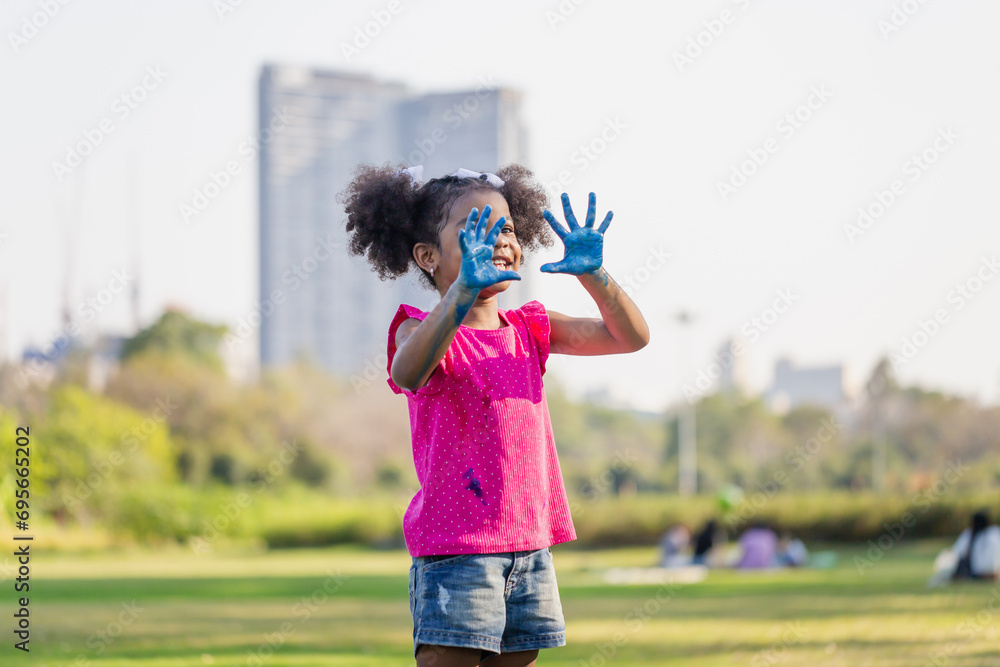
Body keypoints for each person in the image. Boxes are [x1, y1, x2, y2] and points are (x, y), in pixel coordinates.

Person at [340, 163, 650, 666]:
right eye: (476, 229)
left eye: (505, 227)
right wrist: (463, 292)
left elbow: (629, 337)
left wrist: (596, 275)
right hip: (457, 550)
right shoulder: (418, 331)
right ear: (427, 255)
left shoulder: (530, 328)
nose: (499, 239)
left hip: (530, 546)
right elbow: (408, 372)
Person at [950, 510, 1000, 581]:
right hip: (995, 574)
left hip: (977, 574)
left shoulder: (969, 535)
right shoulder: (995, 533)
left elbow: (956, 553)